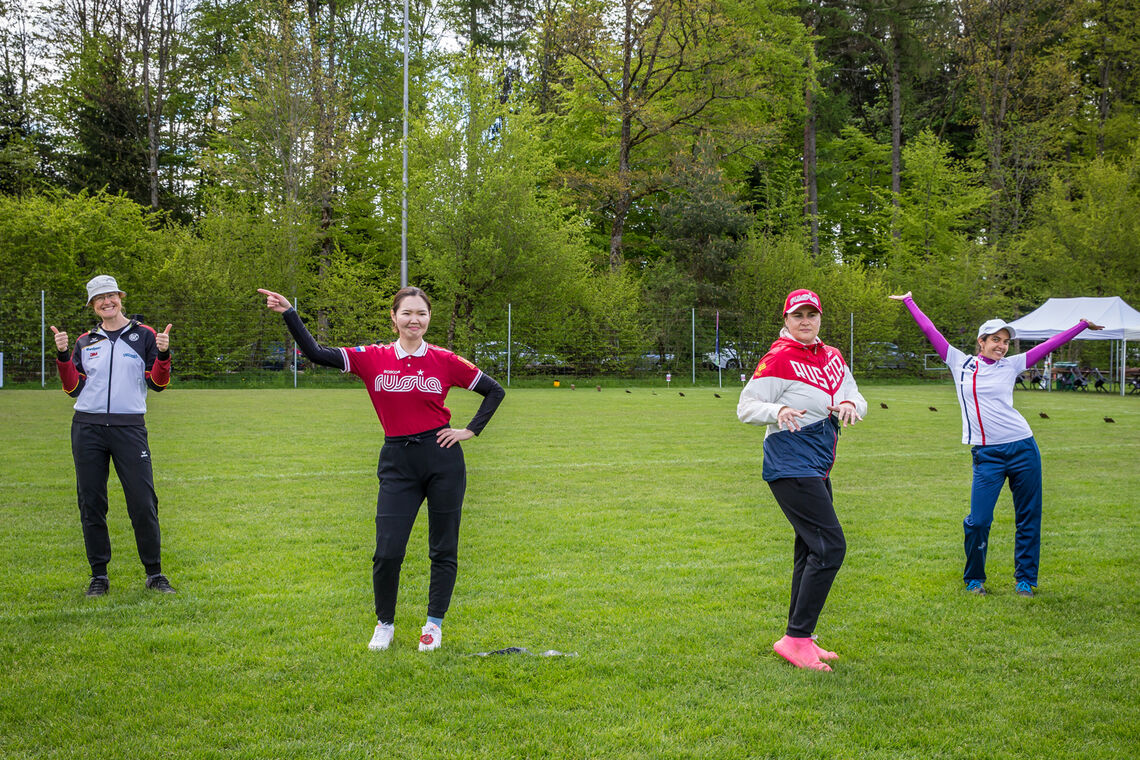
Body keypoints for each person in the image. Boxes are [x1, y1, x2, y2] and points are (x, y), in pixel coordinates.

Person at [258, 286, 505, 652]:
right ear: (393, 318)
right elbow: (315, 353)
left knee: (443, 547)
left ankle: (433, 626)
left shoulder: (445, 359)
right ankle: (384, 623)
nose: (414, 320)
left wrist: (470, 430)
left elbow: (494, 390)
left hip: (442, 458)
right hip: (397, 462)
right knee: (387, 550)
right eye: (406, 313)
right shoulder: (372, 357)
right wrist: (290, 313)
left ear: (429, 318)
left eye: (421, 313)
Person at [890, 292, 1103, 597]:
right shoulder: (959, 363)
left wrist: (1080, 326)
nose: (1001, 345)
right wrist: (910, 301)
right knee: (978, 521)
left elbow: (1048, 346)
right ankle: (974, 578)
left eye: (1005, 340)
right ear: (981, 341)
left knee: (1029, 515)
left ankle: (1026, 579)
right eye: (995, 339)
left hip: (1023, 449)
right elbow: (930, 331)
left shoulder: (1012, 365)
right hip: (987, 455)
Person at [737, 289, 867, 672]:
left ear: (820, 318)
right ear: (787, 319)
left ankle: (799, 636)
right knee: (830, 547)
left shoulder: (833, 356)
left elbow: (855, 395)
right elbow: (746, 407)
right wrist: (777, 409)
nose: (805, 321)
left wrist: (848, 405)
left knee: (810, 549)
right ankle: (795, 640)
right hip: (789, 463)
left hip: (817, 463)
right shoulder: (779, 357)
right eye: (798, 315)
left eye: (812, 314)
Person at [51, 275, 175, 596]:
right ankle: (99, 577)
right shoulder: (85, 341)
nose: (107, 302)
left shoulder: (144, 335)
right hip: (87, 429)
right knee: (91, 503)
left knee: (142, 502)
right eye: (99, 299)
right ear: (93, 306)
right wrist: (64, 355)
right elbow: (72, 387)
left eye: (111, 296)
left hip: (129, 428)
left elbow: (158, 383)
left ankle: (155, 573)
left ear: (120, 296)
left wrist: (163, 354)